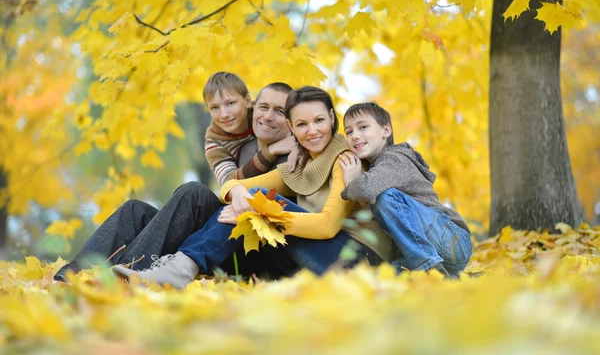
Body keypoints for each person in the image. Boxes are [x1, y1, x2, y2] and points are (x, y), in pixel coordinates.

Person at [114, 87, 394, 288]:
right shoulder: (300, 166)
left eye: (319, 121)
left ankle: (181, 268)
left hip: (359, 260)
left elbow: (328, 226)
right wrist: (239, 197)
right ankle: (176, 267)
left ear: (332, 119)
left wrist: (262, 214)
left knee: (259, 200)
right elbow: (233, 184)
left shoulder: (344, 159)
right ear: (291, 128)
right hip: (319, 256)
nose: (312, 131)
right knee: (250, 198)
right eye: (301, 124)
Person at [53, 76, 296, 281]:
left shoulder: (279, 128)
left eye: (230, 103)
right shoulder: (216, 140)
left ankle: (131, 271)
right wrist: (269, 152)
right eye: (215, 108)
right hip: (225, 217)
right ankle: (72, 276)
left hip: (247, 240)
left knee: (194, 193)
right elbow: (228, 182)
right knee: (133, 210)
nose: (224, 114)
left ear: (247, 101)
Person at [338, 101, 472, 278]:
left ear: (386, 130)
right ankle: (448, 277)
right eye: (349, 131)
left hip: (451, 238)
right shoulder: (377, 167)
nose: (355, 135)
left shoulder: (395, 158)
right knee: (383, 276)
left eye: (363, 127)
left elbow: (365, 190)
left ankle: (430, 269)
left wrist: (351, 180)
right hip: (432, 248)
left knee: (384, 198)